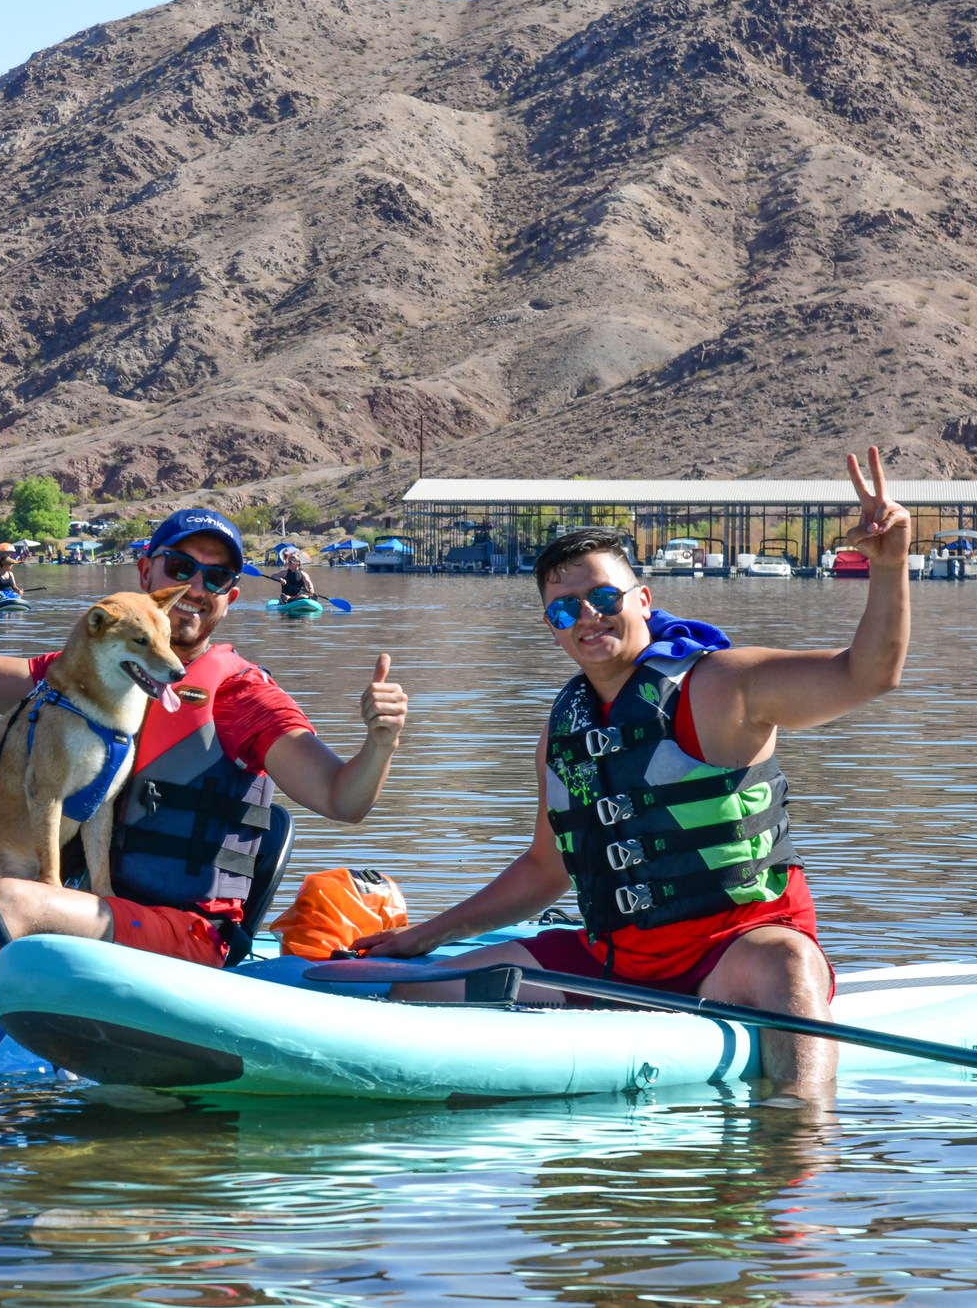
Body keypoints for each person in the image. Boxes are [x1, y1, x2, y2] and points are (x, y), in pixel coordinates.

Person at [355, 448, 910, 1098]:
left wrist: (890, 567)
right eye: (565, 609)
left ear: (642, 599)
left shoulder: (723, 685)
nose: (587, 616)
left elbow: (867, 674)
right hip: (610, 964)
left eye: (603, 596)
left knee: (789, 963)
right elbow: (545, 869)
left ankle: (799, 1133)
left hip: (732, 955)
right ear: (551, 629)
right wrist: (420, 937)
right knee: (413, 990)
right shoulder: (563, 731)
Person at [0, 506, 409, 982]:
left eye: (215, 579)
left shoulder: (240, 697)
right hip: (88, 909)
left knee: (15, 899)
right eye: (183, 567)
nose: (196, 590)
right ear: (148, 570)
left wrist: (378, 744)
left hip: (181, 937)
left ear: (230, 599)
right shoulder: (84, 675)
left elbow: (339, 796)